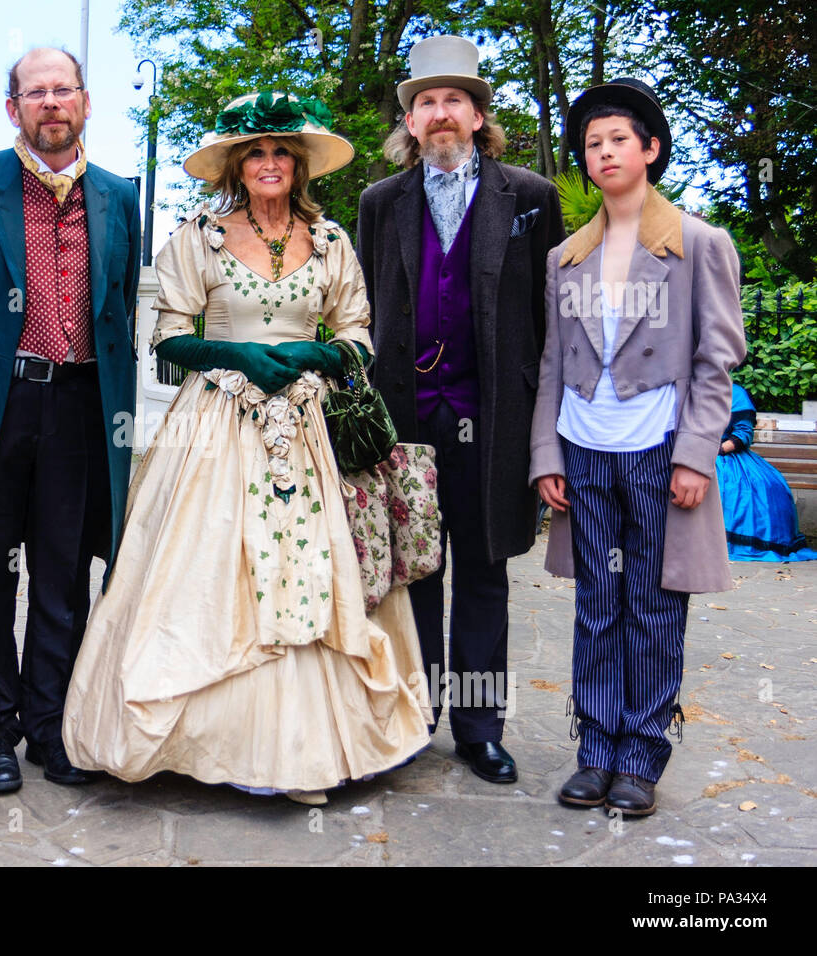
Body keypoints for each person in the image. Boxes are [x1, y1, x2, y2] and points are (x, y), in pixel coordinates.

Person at [62, 92, 433, 805]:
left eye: (281, 154)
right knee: (205, 568)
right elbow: (167, 335)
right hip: (216, 424)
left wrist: (313, 355)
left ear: (298, 167)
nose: (269, 163)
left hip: (305, 424)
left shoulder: (330, 244)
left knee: (307, 564)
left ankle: (303, 756)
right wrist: (230, 352)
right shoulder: (198, 233)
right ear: (238, 165)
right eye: (256, 153)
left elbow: (357, 331)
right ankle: (197, 741)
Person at [0, 49, 140, 794]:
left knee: (63, 568)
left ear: (85, 101)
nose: (50, 102)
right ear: (13, 107)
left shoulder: (116, 195)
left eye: (62, 90)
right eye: (34, 92)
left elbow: (121, 312)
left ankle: (51, 725)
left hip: (79, 404)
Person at [529, 78, 747, 816]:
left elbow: (717, 359)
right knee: (598, 602)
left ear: (650, 149)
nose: (605, 152)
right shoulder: (566, 257)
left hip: (659, 451)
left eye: (619, 139)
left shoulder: (698, 244)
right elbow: (554, 366)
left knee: (653, 604)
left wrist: (695, 452)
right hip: (585, 449)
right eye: (593, 143)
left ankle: (642, 755)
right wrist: (546, 457)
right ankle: (595, 749)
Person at [357, 36, 565, 784]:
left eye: (453, 101)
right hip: (408, 422)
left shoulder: (531, 198)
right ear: (410, 123)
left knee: (483, 572)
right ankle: (413, 720)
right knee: (415, 573)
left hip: (494, 416)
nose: (439, 115)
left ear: (478, 115)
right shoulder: (380, 204)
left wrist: (547, 431)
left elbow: (550, 322)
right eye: (425, 104)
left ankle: (480, 729)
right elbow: (366, 313)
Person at [716, 383, 817, 561]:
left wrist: (715, 450)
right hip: (693, 452)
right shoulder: (690, 388)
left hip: (726, 454)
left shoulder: (736, 393)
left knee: (751, 487)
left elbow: (743, 433)